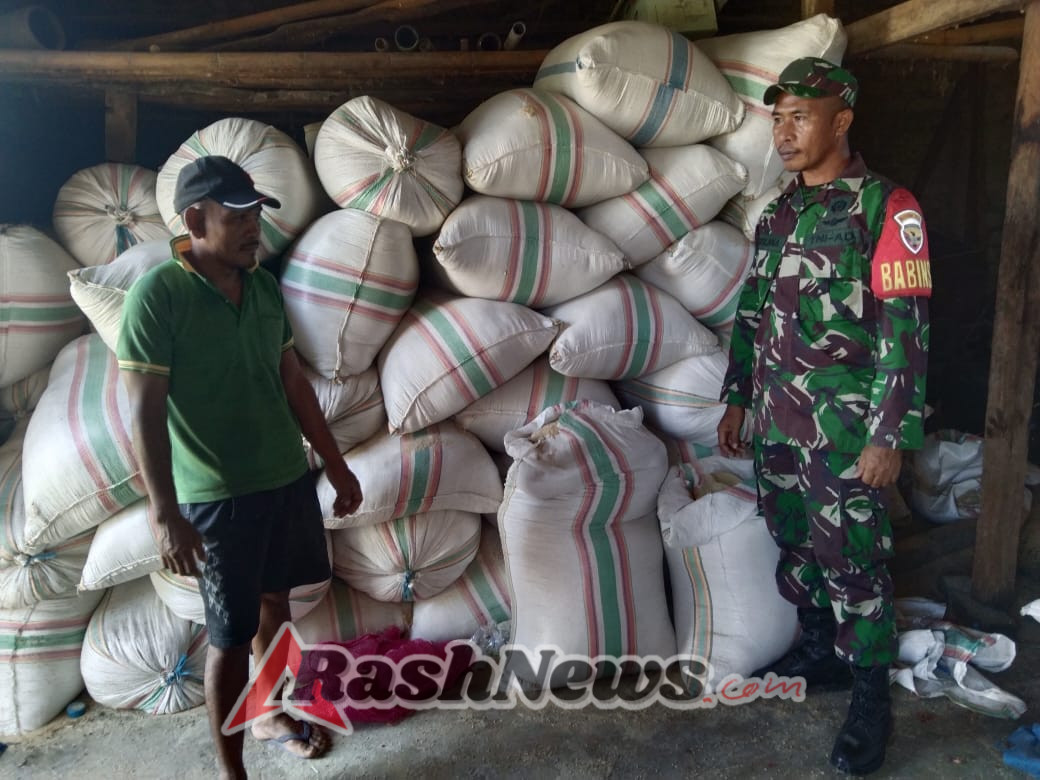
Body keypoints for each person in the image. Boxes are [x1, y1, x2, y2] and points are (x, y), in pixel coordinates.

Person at [117, 155, 363, 779]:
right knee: (229, 634)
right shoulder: (158, 297)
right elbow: (144, 411)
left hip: (283, 478)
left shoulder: (263, 288)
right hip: (216, 494)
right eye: (239, 216)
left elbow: (293, 384)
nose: (255, 228)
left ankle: (272, 712)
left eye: (258, 214)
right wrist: (164, 512)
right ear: (195, 219)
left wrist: (335, 466)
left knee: (276, 606)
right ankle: (233, 771)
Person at [717, 58, 930, 776]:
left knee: (857, 563)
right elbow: (752, 311)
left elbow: (907, 331)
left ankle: (871, 695)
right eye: (777, 118)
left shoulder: (886, 208)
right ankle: (820, 649)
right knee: (796, 545)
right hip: (779, 424)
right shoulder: (778, 211)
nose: (783, 131)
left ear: (841, 120)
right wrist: (738, 395)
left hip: (844, 434)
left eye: (800, 116)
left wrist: (889, 436)